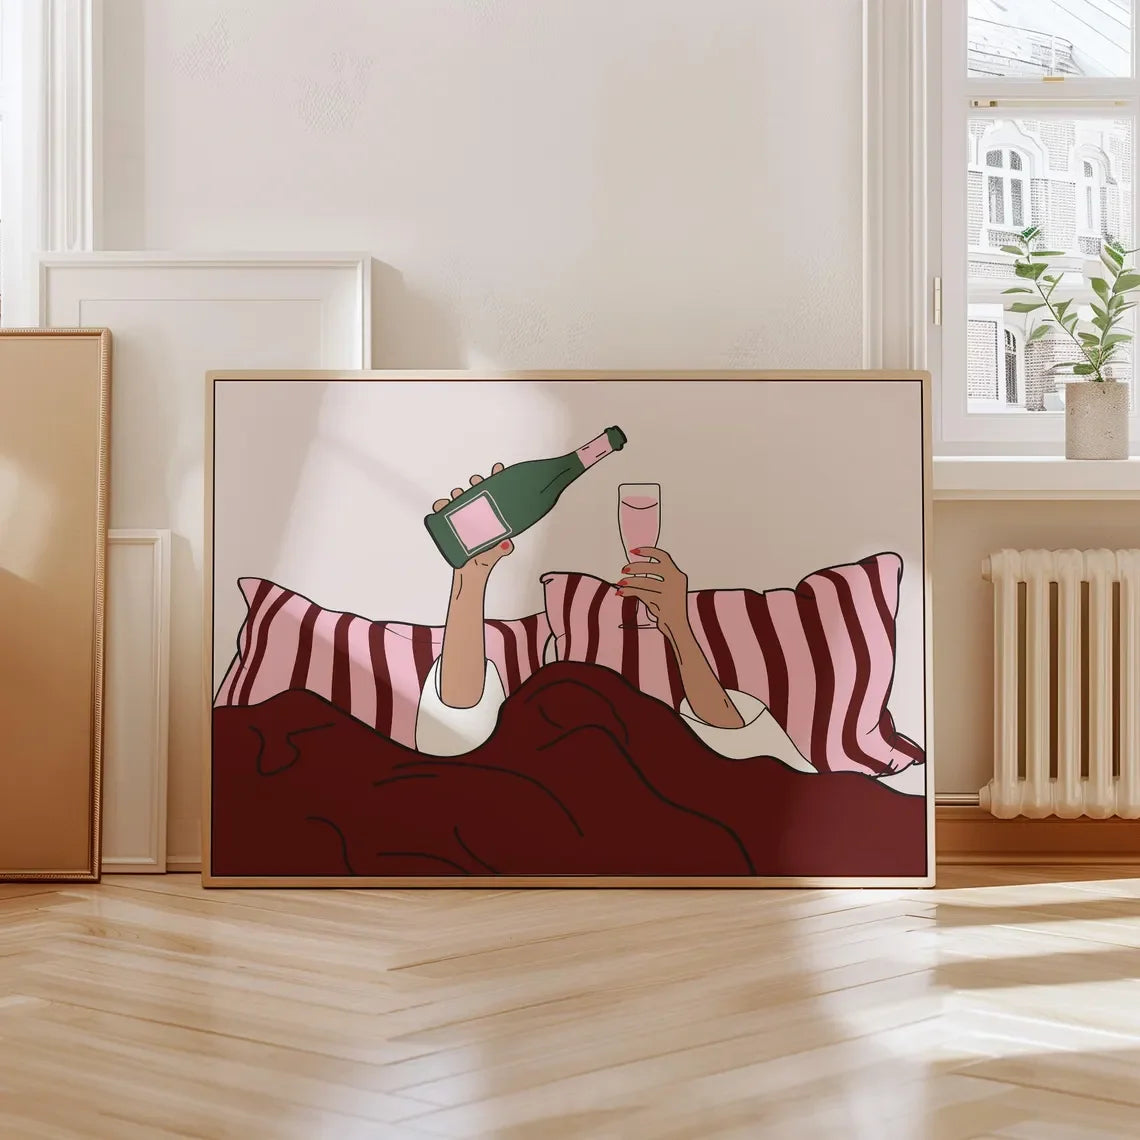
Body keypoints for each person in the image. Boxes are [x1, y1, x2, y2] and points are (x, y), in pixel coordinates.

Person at [414, 465, 924, 797]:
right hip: (551, 791)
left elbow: (742, 746)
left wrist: (678, 626)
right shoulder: (550, 672)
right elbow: (458, 736)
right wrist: (469, 582)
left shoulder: (681, 721)